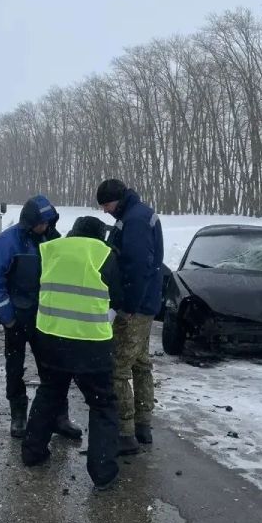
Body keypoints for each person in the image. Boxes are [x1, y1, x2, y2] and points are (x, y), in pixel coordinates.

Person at [22, 216, 123, 489]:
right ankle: (103, 474)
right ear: (99, 235)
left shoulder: (51, 249)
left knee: (50, 393)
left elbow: (35, 288)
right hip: (91, 342)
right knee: (102, 404)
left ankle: (33, 452)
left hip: (51, 337)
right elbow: (118, 295)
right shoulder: (104, 254)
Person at [0, 196, 81, 440]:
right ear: (29, 222)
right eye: (40, 223)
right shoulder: (7, 242)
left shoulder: (53, 239)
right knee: (15, 368)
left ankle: (60, 416)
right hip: (17, 317)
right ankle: (18, 414)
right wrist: (7, 316)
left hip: (47, 318)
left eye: (48, 222)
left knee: (53, 369)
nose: (44, 227)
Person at [97, 178, 164, 456]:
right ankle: (143, 424)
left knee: (119, 366)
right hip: (146, 302)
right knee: (140, 362)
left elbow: (138, 266)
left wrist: (129, 304)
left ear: (117, 199)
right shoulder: (138, 214)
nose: (105, 211)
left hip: (135, 305)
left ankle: (125, 432)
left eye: (106, 205)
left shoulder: (134, 220)